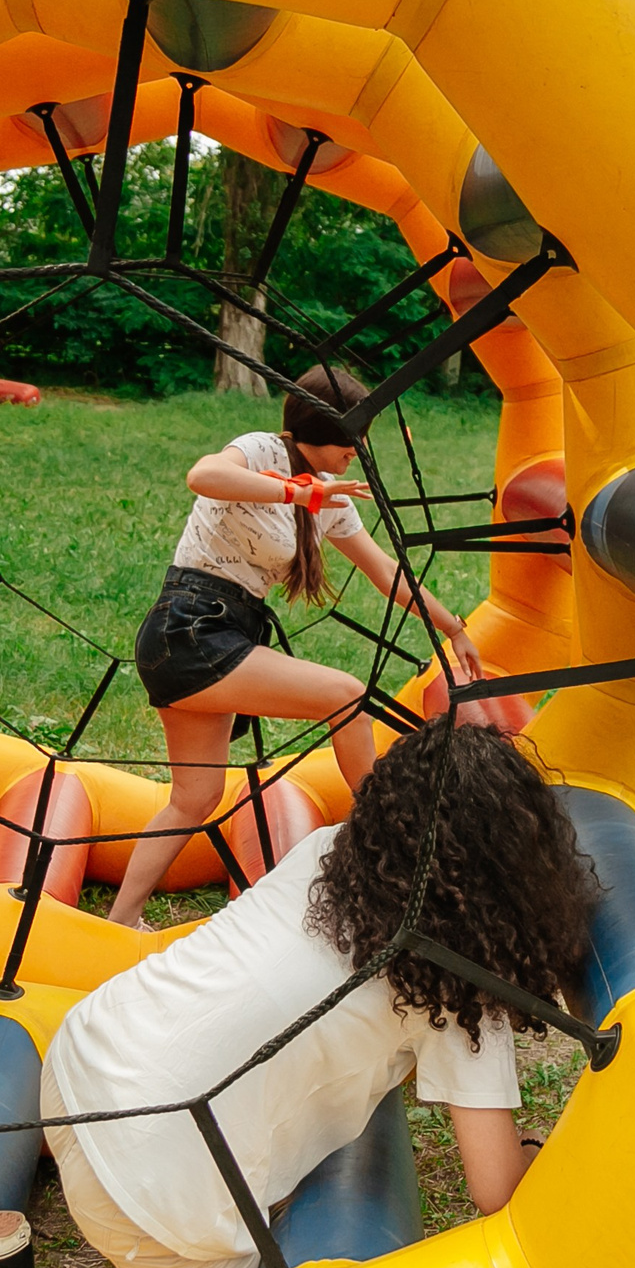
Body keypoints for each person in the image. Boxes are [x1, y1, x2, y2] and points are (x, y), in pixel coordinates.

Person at [0, 718, 599, 1268]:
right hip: (156, 1188)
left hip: (83, 1057)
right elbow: (494, 1190)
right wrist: (543, 1154)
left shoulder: (328, 854)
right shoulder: (459, 990)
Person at [104, 363, 483, 929]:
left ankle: (120, 919)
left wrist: (453, 629)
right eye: (350, 435)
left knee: (195, 798)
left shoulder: (333, 498)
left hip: (220, 631)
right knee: (346, 696)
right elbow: (203, 475)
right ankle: (386, 843)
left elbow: (387, 573)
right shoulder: (261, 451)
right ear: (318, 427)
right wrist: (297, 492)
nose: (358, 448)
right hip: (189, 625)